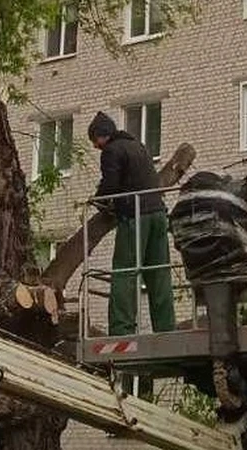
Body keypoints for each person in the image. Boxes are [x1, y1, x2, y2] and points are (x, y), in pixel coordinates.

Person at [87, 111, 175, 339]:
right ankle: (166, 330)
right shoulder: (139, 146)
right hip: (158, 213)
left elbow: (111, 184)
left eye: (95, 142)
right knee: (158, 273)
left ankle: (121, 330)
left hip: (136, 216)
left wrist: (98, 200)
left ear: (101, 136)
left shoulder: (112, 151)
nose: (96, 147)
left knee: (125, 273)